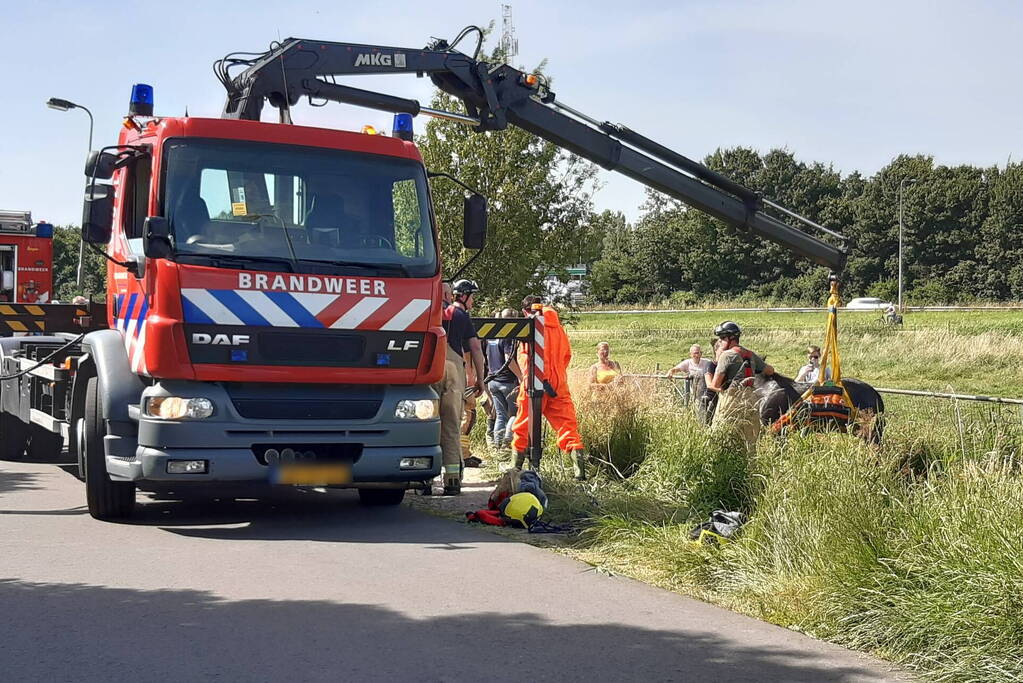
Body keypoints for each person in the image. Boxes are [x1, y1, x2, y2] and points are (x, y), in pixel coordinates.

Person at [510, 296, 587, 480]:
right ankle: (579, 474)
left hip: (533, 383)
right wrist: (556, 375)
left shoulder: (529, 326)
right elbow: (567, 354)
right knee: (568, 427)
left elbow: (523, 357)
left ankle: (515, 471)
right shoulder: (559, 328)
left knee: (522, 426)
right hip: (558, 385)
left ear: (525, 311)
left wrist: (532, 377)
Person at [430, 280, 485, 496]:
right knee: (452, 424)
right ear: (452, 295)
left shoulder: (425, 310)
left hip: (430, 369)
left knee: (428, 423)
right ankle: (452, 480)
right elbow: (475, 348)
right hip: (453, 371)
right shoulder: (460, 315)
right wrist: (480, 378)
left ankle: (424, 480)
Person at [707, 321, 774, 452]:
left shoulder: (726, 355)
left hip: (732, 399)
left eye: (722, 338)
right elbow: (770, 370)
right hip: (751, 400)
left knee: (718, 435)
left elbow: (716, 384)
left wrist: (709, 382)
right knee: (749, 441)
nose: (720, 341)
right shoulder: (750, 354)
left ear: (730, 338)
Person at [485, 308, 523, 449]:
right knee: (515, 413)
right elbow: (509, 358)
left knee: (500, 415)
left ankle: (496, 445)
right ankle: (507, 443)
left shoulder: (491, 335)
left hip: (493, 381)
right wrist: (521, 376)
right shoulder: (508, 335)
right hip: (508, 381)